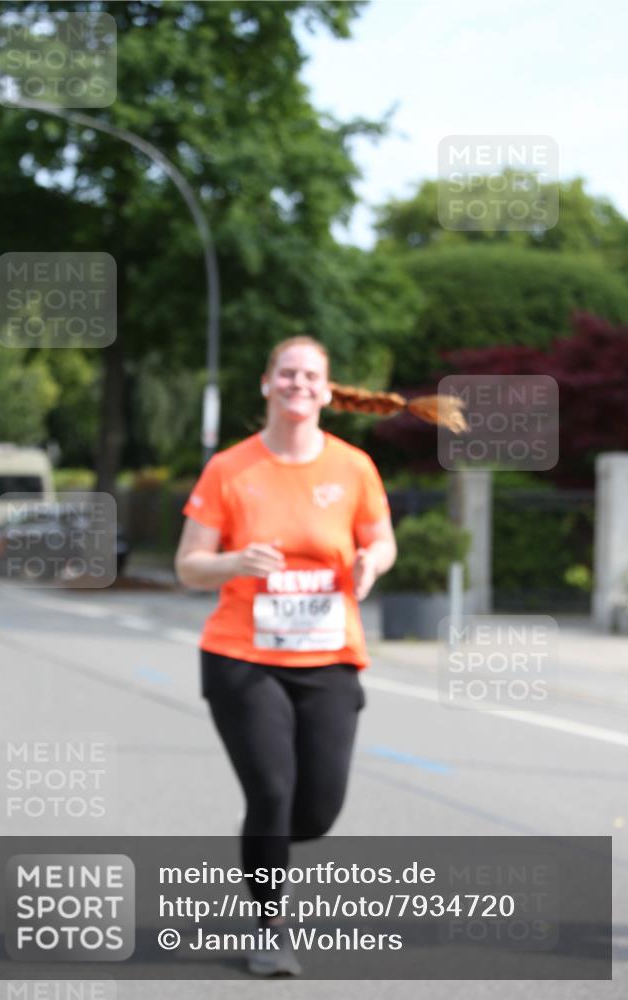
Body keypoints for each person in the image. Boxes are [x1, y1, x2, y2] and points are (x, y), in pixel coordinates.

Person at [174, 336, 466, 976]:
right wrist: (232, 560)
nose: (298, 383)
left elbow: (381, 540)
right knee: (273, 792)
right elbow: (188, 566)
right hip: (241, 657)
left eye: (310, 375)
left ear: (329, 391)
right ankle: (269, 930)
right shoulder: (230, 468)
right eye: (286, 373)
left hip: (330, 657)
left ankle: (262, 842)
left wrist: (370, 563)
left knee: (316, 810)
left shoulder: (353, 467)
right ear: (266, 383)